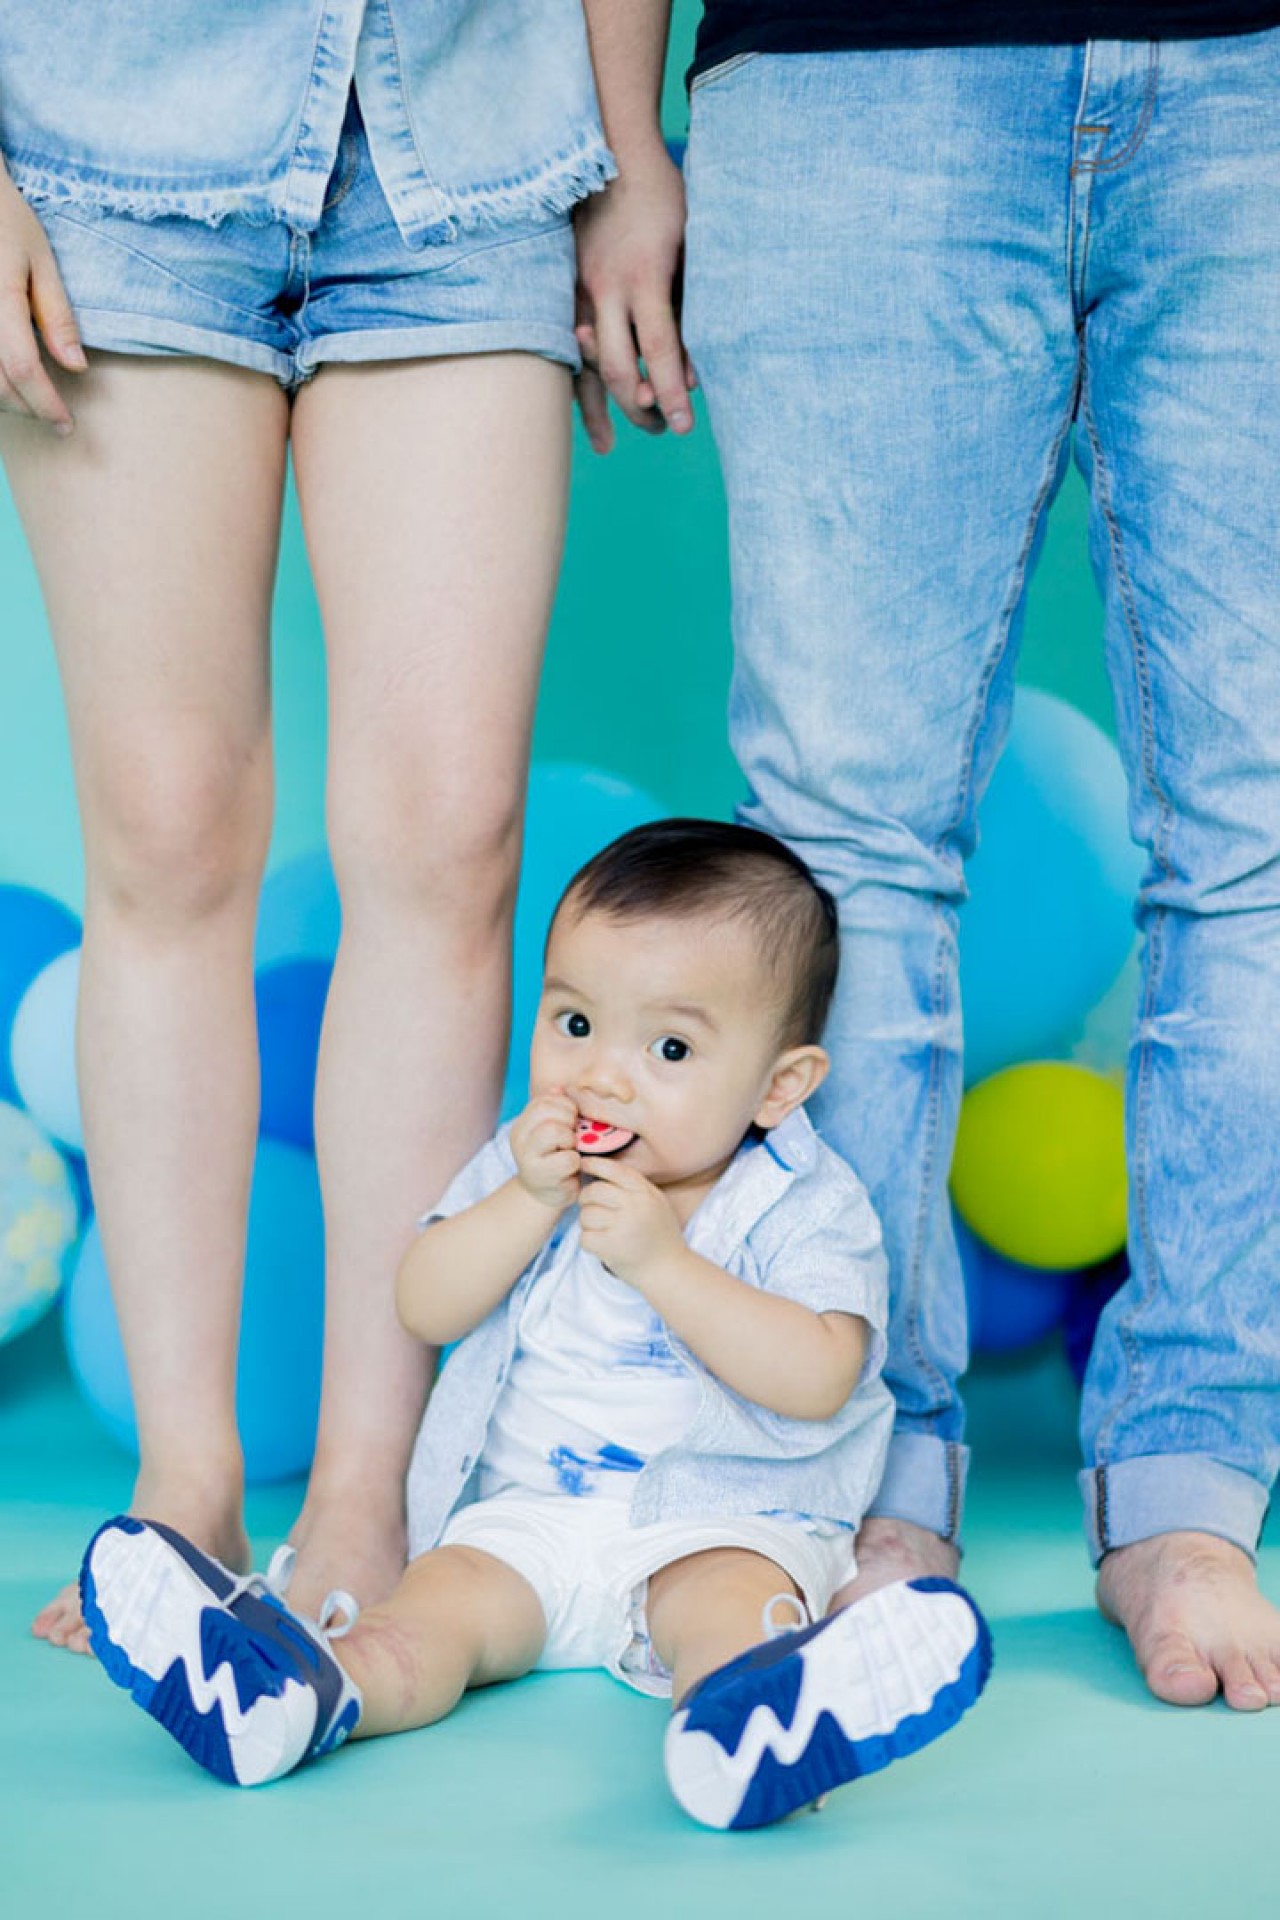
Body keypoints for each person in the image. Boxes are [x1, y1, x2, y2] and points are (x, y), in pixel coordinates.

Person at [572, 5, 1280, 1710]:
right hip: (848, 75)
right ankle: (861, 1479)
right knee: (844, 851)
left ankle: (1192, 1491)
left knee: (1259, 828)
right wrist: (622, 144)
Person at [0, 2, 615, 1650]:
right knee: (167, 829)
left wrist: (620, 149)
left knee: (450, 836)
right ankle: (183, 1484)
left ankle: (367, 1487)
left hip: (474, 150)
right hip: (105, 150)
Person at [77, 821, 990, 1830]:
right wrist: (523, 1201)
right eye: (574, 1022)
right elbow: (424, 1303)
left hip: (724, 1519)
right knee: (430, 1616)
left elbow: (819, 1375)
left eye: (670, 1048)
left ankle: (747, 1731)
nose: (600, 1077)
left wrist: (666, 1265)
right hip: (523, 1521)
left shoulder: (804, 1203)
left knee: (729, 1610)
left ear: (779, 1086)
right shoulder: (531, 1167)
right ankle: (301, 1695)